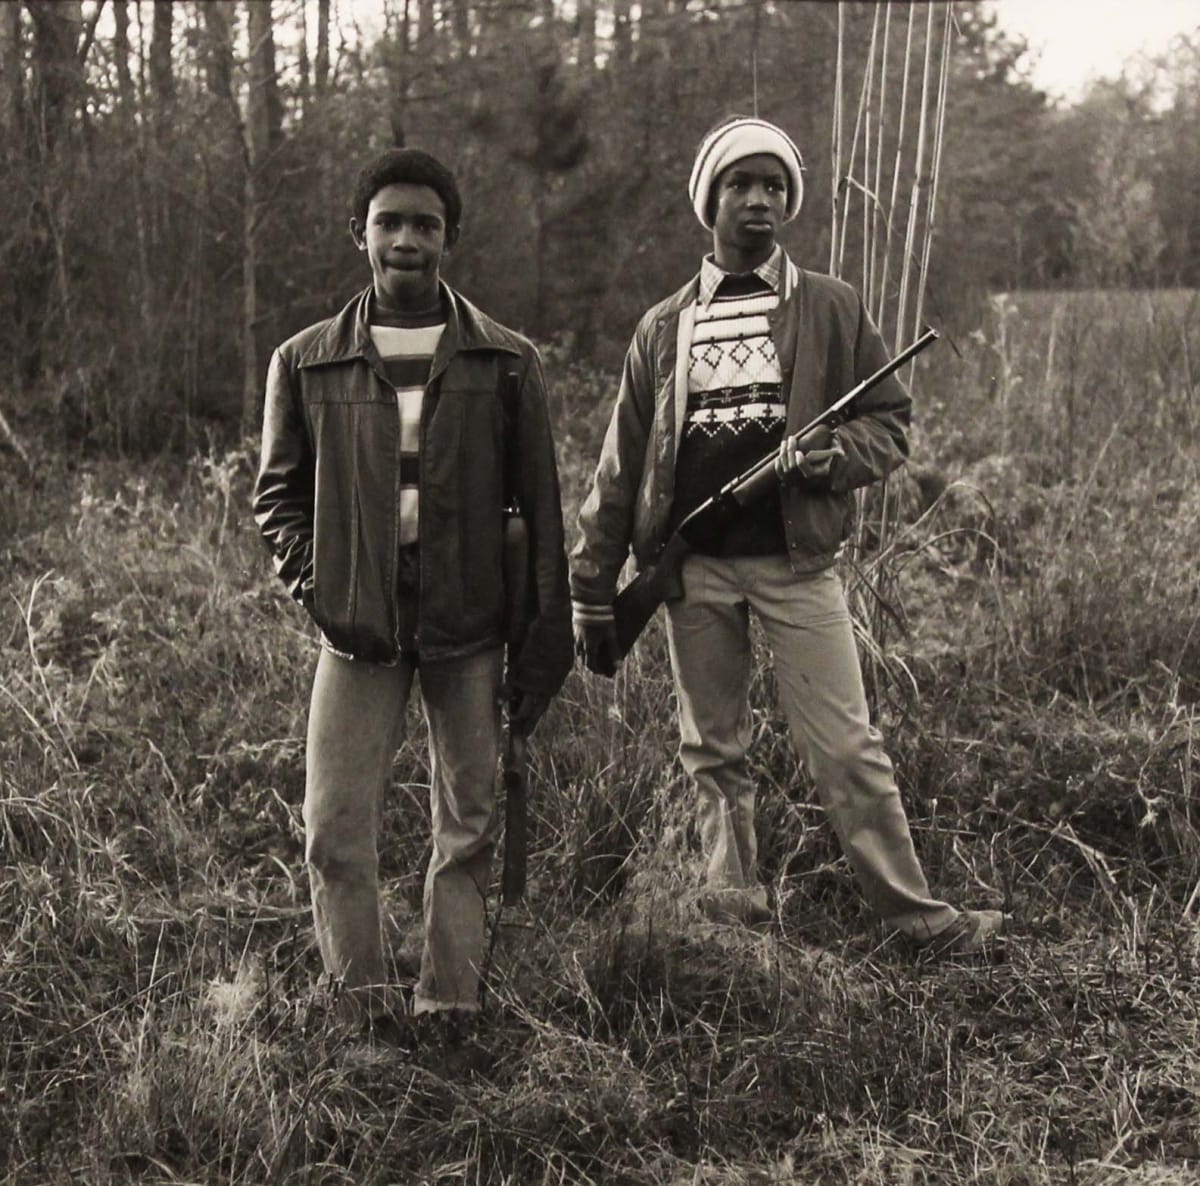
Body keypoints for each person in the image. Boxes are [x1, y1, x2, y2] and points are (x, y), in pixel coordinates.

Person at [570, 115, 1004, 953]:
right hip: (693, 570)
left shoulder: (832, 306)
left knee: (846, 745)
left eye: (774, 185)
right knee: (713, 752)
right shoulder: (663, 327)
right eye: (741, 184)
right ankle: (733, 922)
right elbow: (620, 469)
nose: (759, 199)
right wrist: (595, 588)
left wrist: (829, 460)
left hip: (799, 566)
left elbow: (890, 424)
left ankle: (915, 920)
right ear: (710, 202)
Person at [253, 147, 573, 1034]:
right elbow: (276, 498)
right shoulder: (305, 362)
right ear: (359, 233)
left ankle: (448, 1001)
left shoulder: (506, 361)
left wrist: (542, 637)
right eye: (389, 221)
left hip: (469, 628)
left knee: (467, 827)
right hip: (355, 631)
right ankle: (360, 1010)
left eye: (425, 224)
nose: (406, 239)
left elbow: (543, 509)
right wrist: (321, 590)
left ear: (451, 239)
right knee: (333, 831)